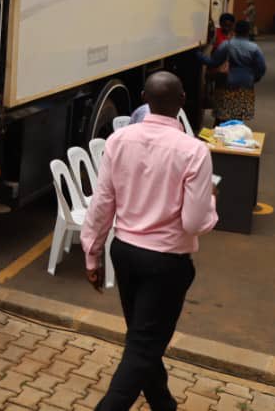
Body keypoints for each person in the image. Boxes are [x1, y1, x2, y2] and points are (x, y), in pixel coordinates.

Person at [81, 72, 218, 411]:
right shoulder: (194, 151)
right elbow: (196, 222)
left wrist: (91, 254)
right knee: (144, 346)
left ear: (143, 97)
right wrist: (212, 200)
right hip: (166, 263)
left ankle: (163, 404)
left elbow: (102, 203)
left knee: (143, 340)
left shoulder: (119, 140)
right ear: (183, 100)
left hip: (125, 254)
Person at [198, 20, 267, 124]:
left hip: (225, 84)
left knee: (221, 118)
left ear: (234, 30)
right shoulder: (254, 48)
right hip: (245, 86)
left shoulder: (226, 45)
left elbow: (213, 63)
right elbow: (261, 68)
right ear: (248, 31)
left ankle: (219, 137)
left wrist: (198, 55)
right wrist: (253, 78)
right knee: (238, 118)